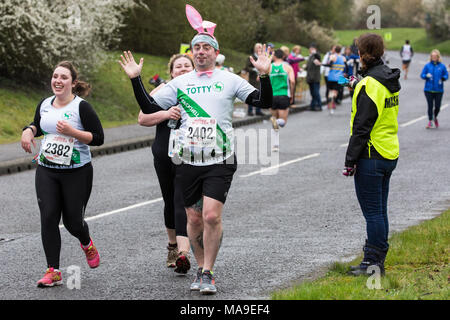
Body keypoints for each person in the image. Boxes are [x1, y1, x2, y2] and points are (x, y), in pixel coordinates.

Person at [119, 4, 273, 295]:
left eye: (206, 47)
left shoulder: (229, 80)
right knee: (193, 218)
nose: (201, 51)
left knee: (212, 216)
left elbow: (263, 103)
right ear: (192, 53)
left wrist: (264, 75)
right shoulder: (179, 83)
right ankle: (200, 268)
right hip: (188, 161)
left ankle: (208, 271)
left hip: (220, 158)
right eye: (197, 48)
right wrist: (135, 80)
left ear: (215, 52)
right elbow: (149, 108)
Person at [21, 61, 104, 287]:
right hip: (47, 169)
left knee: (73, 222)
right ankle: (53, 271)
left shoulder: (81, 107)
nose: (58, 80)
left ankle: (86, 243)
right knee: (48, 217)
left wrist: (72, 132)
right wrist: (28, 132)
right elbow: (37, 123)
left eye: (64, 77)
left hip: (77, 172)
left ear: (73, 83)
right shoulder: (45, 104)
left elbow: (98, 138)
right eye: (55, 76)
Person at [126, 54, 195, 274]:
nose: (183, 69)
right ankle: (173, 246)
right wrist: (166, 114)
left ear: (193, 68)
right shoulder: (164, 91)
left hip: (190, 153)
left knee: (181, 199)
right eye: (178, 66)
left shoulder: (202, 91)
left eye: (187, 65)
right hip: (164, 152)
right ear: (172, 71)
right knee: (169, 199)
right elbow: (142, 119)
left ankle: (184, 252)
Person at [343, 33, 401, 277]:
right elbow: (376, 98)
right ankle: (375, 258)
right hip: (389, 152)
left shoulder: (369, 85)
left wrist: (349, 161)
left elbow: (362, 127)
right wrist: (358, 84)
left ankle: (373, 264)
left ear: (361, 53)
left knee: (373, 213)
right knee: (380, 210)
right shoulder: (388, 77)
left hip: (371, 153)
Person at [269, 49, 296, 151]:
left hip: (272, 96)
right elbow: (292, 81)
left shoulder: (269, 67)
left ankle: (275, 145)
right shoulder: (287, 67)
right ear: (283, 56)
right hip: (284, 95)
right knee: (283, 122)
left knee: (274, 122)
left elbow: (260, 78)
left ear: (274, 56)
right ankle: (277, 121)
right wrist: (292, 94)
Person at [420, 49, 448, 129]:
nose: (434, 57)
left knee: (438, 107)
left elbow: (446, 75)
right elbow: (422, 75)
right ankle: (430, 121)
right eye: (432, 56)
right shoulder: (427, 65)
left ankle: (435, 117)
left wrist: (443, 78)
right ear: (431, 57)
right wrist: (426, 76)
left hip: (439, 90)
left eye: (435, 56)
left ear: (438, 57)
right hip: (428, 89)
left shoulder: (442, 66)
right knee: (430, 106)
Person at [244, 43, 264, 116]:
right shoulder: (251, 57)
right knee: (252, 94)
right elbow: (246, 67)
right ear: (255, 49)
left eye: (260, 48)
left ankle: (258, 110)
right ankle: (250, 111)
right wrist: (254, 69)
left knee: (260, 95)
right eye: (258, 48)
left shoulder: (263, 57)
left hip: (261, 78)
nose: (259, 49)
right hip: (253, 79)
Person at [326, 45, 346, 114]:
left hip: (331, 77)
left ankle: (330, 102)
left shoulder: (332, 56)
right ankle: (332, 100)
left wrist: (321, 64)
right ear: (340, 50)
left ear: (335, 50)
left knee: (331, 91)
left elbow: (329, 65)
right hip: (339, 77)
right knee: (335, 92)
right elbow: (346, 67)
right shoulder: (343, 58)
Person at [305, 43, 322, 111]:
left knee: (316, 93)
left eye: (312, 49)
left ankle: (319, 105)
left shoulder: (316, 55)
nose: (310, 50)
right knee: (312, 93)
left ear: (315, 49)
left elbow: (318, 57)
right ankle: (312, 105)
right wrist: (305, 67)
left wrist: (315, 53)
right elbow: (309, 66)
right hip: (310, 78)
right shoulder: (310, 56)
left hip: (315, 78)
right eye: (310, 49)